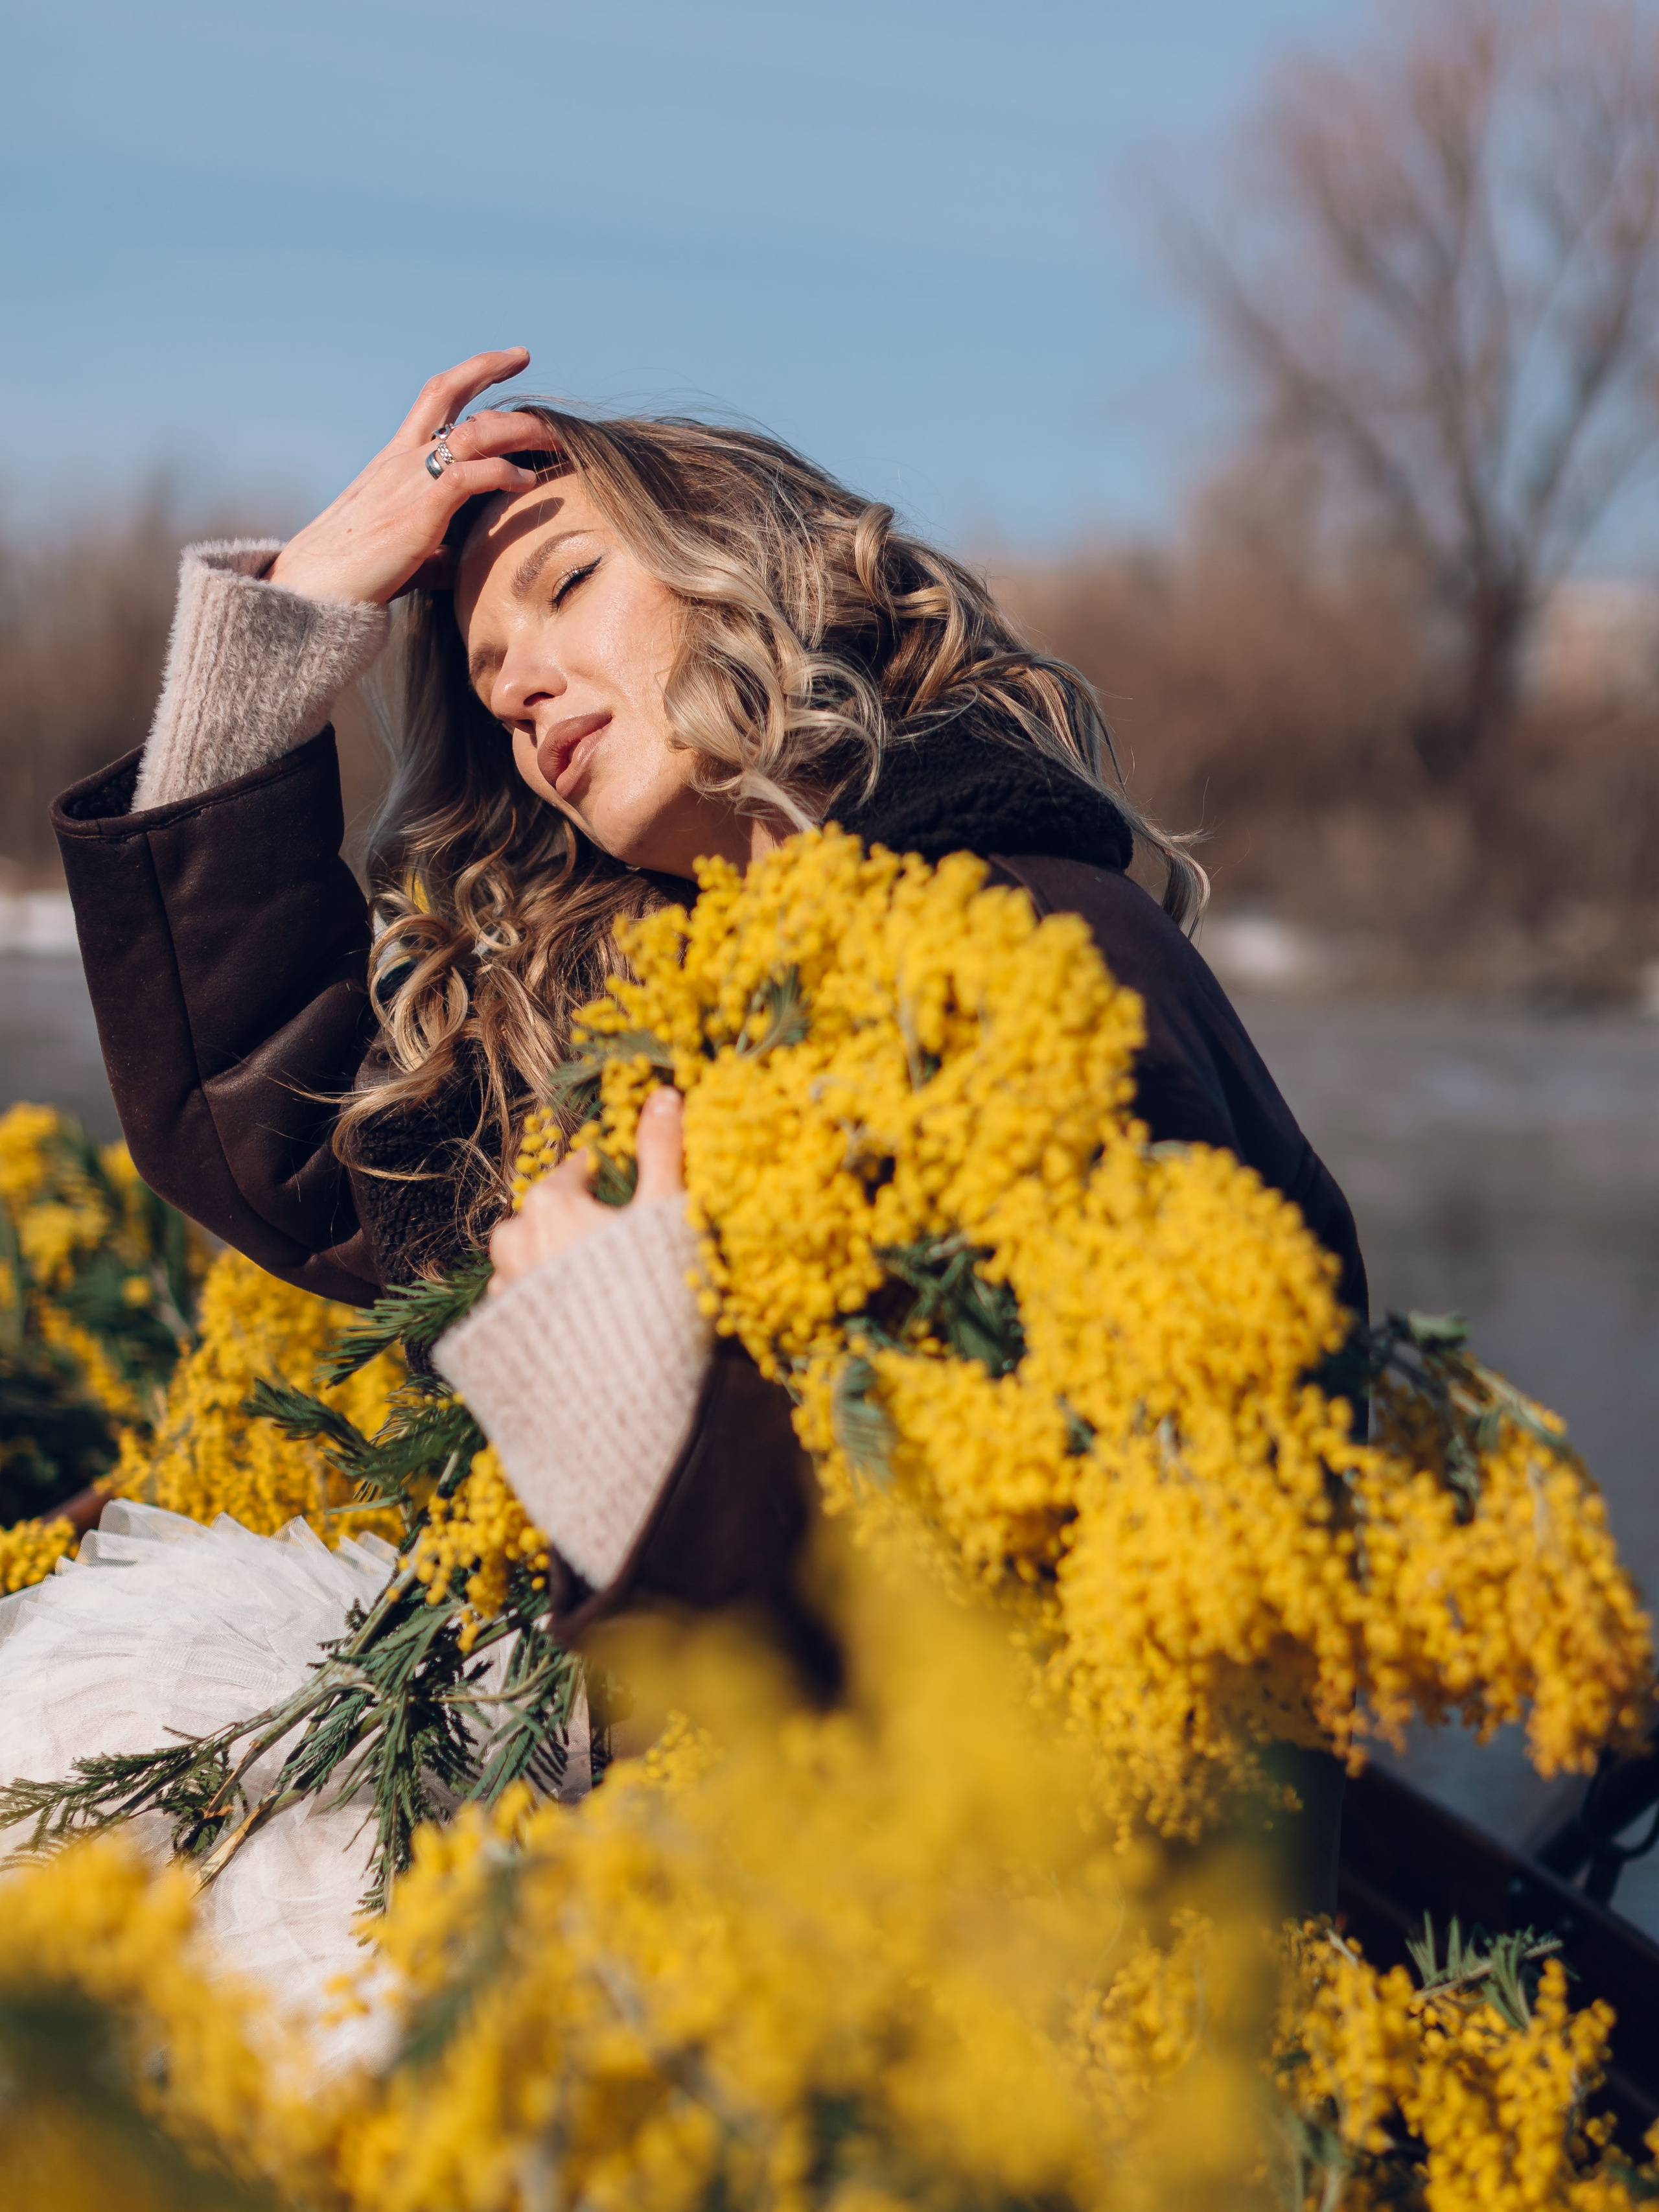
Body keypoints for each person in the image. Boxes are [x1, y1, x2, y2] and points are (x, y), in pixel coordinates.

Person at [24, 349, 1365, 2020]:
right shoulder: (656, 1019)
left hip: (985, 1965)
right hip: (724, 1821)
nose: (517, 690)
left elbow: (1088, 1615)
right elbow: (302, 1143)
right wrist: (288, 625)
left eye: (570, 582)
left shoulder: (1043, 954)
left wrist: (647, 1428)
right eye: (488, 674)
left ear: (772, 570)